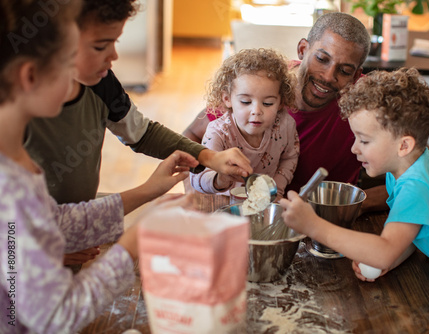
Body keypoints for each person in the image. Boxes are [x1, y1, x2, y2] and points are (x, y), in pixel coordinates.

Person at [0, 1, 197, 332]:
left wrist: (148, 194)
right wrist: (131, 245)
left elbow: (52, 222)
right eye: (67, 60)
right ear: (30, 75)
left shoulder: (15, 157)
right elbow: (56, 315)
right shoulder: (9, 184)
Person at [23, 0, 252, 266]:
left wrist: (208, 157)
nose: (113, 56)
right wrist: (42, 251)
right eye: (100, 46)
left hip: (76, 231)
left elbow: (142, 132)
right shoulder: (16, 115)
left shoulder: (101, 83)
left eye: (115, 42)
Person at [280, 68, 429, 283]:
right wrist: (392, 259)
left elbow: (384, 250)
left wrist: (313, 226)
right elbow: (413, 232)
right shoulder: (412, 165)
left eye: (364, 140)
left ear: (403, 145)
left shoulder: (415, 186)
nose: (354, 149)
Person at [183, 13, 388, 211]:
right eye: (321, 59)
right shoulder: (261, 85)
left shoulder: (369, 100)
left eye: (344, 71)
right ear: (302, 49)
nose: (328, 76)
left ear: (356, 75)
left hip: (325, 220)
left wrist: (352, 208)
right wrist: (195, 195)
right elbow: (189, 137)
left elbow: (413, 165)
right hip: (246, 212)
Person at [190, 48, 299, 199]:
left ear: (281, 102)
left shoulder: (285, 125)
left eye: (267, 103)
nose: (256, 111)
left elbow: (290, 157)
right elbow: (197, 179)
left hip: (265, 202)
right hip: (224, 201)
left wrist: (276, 188)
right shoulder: (218, 132)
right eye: (246, 102)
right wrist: (219, 180)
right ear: (227, 99)